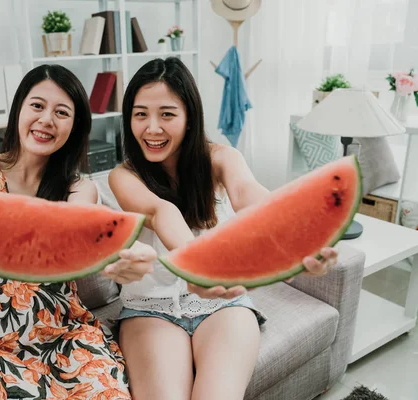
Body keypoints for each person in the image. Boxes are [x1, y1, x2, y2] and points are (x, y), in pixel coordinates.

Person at [0, 64, 156, 399]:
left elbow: (81, 232)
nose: (47, 119)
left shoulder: (79, 189)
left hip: (66, 338)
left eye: (61, 112)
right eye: (37, 106)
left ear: (75, 127)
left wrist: (120, 254)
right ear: (18, 109)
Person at [108, 57, 338, 400]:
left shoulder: (221, 158)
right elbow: (161, 211)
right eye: (140, 114)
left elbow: (248, 194)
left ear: (189, 117)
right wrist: (200, 267)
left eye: (167, 114)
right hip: (148, 309)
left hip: (223, 308)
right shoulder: (123, 176)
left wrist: (296, 235)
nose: (152, 128)